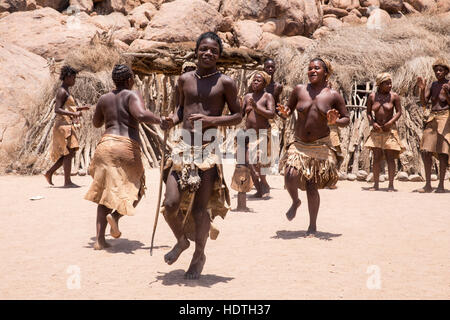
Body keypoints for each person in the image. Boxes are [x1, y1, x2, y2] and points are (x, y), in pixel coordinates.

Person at [160, 32, 242, 279]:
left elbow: (238, 116)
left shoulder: (225, 82)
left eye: (214, 51)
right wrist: (169, 121)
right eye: (204, 49)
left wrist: (210, 120)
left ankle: (198, 255)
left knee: (199, 210)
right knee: (170, 204)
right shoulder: (184, 79)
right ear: (196, 51)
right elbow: (180, 110)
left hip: (207, 152)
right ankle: (182, 241)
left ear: (219, 55)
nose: (208, 53)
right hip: (183, 149)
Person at [84, 64, 161, 250]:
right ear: (129, 80)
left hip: (105, 146)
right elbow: (141, 114)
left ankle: (100, 241)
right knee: (138, 188)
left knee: (104, 194)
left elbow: (96, 123)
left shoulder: (104, 98)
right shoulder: (131, 94)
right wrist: (160, 120)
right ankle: (117, 216)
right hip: (125, 146)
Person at [278, 58, 349, 235]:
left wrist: (335, 121)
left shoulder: (333, 95)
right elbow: (287, 109)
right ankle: (295, 201)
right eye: (310, 68)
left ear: (326, 72)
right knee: (289, 174)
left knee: (312, 186)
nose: (312, 71)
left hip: (320, 145)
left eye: (317, 68)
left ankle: (312, 226)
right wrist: (285, 114)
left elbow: (346, 119)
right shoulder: (299, 90)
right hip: (299, 143)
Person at [231, 71, 275, 210]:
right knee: (248, 161)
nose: (255, 82)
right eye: (254, 80)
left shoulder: (267, 96)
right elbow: (241, 114)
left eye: (258, 81)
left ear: (264, 83)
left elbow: (271, 113)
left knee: (257, 162)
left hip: (262, 134)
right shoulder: (248, 96)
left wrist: (256, 107)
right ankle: (260, 188)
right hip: (248, 134)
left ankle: (263, 185)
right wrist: (239, 108)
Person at [44, 65, 89, 187]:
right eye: (73, 78)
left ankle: (50, 172)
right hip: (63, 126)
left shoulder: (66, 90)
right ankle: (67, 181)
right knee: (68, 153)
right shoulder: (62, 91)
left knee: (69, 152)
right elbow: (57, 109)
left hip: (67, 125)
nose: (74, 80)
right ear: (67, 77)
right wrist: (74, 113)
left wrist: (80, 108)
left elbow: (67, 107)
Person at [364, 73, 405, 192]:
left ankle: (391, 185)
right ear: (380, 84)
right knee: (376, 157)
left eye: (390, 83)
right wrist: (373, 123)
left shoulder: (394, 96)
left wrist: (390, 123)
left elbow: (398, 112)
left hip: (389, 130)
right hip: (377, 130)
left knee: (390, 157)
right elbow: (368, 113)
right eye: (387, 83)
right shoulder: (372, 97)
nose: (390, 85)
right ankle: (376, 184)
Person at [416, 58, 450, 193]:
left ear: (446, 71)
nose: (438, 72)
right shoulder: (432, 85)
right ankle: (428, 184)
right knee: (425, 150)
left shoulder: (449, 84)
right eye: (436, 70)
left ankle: (441, 185)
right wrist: (422, 89)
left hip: (446, 117)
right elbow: (424, 102)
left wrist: (447, 93)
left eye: (441, 70)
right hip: (432, 117)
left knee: (443, 152)